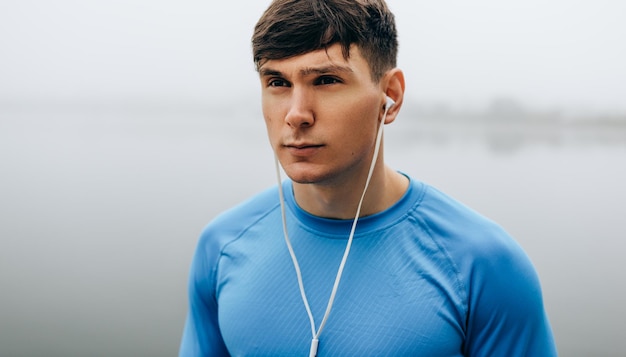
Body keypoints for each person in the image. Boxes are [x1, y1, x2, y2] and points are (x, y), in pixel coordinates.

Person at [179, 0, 557, 356]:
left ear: (389, 96)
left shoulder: (483, 265)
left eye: (326, 80)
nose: (296, 114)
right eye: (277, 83)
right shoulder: (223, 246)